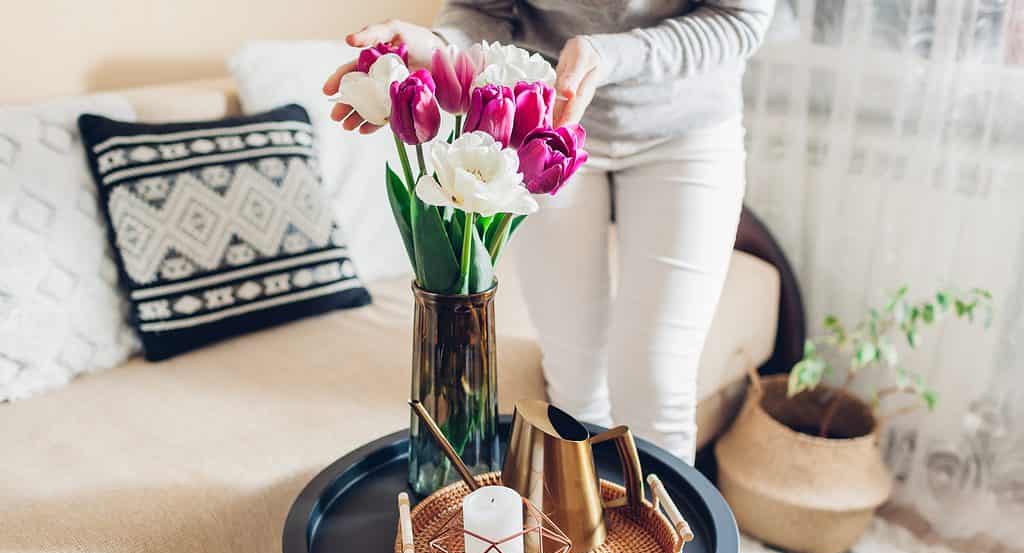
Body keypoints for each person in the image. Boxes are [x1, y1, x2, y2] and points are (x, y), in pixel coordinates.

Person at [324, 1, 775, 467]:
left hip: (686, 127)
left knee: (658, 384)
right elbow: (482, 9)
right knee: (573, 385)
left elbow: (739, 17)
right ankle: (580, 529)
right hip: (541, 120)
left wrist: (611, 55)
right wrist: (443, 51)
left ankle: (657, 535)